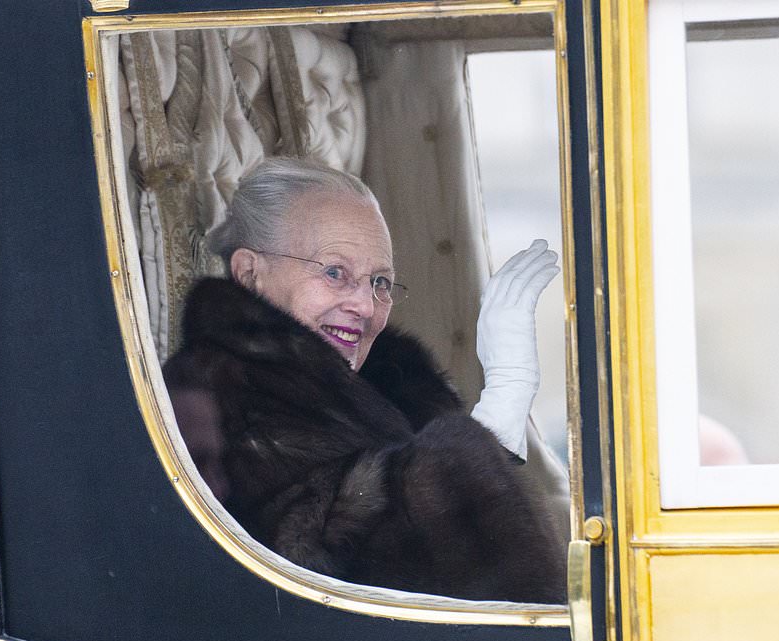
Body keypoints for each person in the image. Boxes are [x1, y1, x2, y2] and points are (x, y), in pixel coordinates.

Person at [162, 157, 568, 603]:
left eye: (380, 282)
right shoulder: (211, 392)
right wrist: (500, 408)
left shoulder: (384, 382)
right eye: (335, 273)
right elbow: (323, 567)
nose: (366, 305)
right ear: (249, 274)